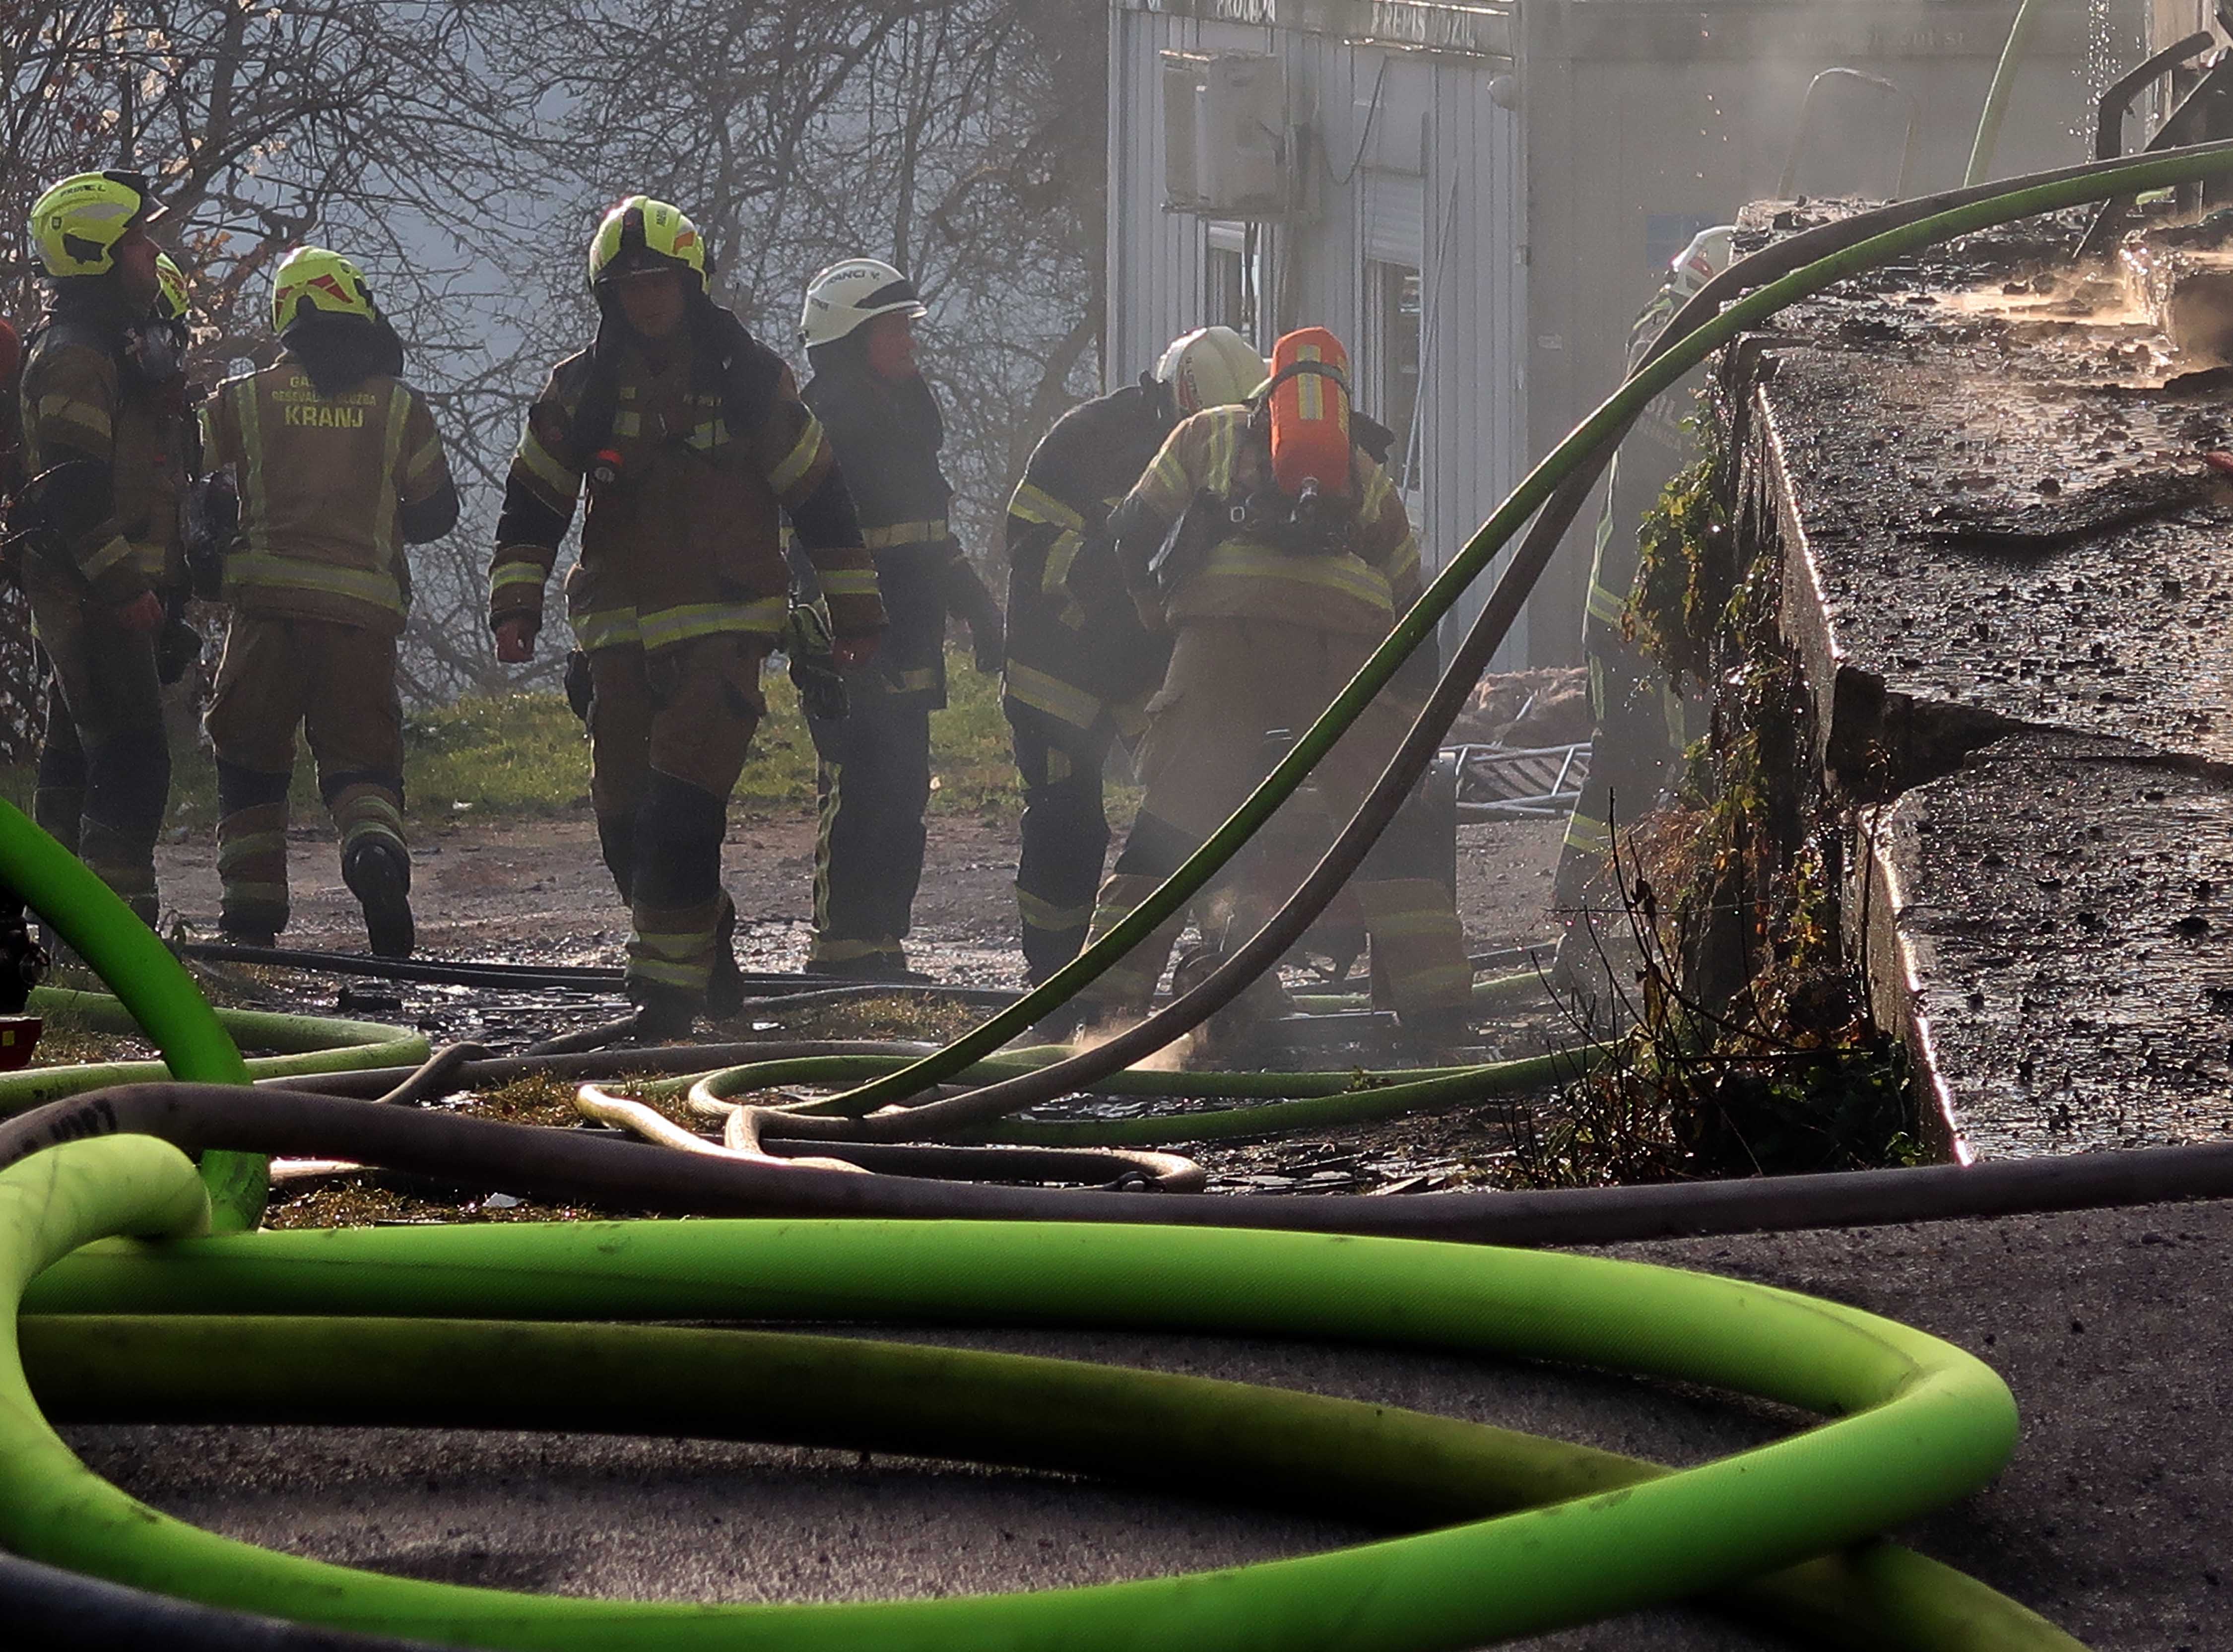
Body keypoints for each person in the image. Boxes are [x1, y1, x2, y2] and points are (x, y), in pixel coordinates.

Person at [491, 197, 884, 1034]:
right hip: (617, 641)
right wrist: (515, 604)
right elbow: (533, 501)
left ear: (691, 284)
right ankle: (710, 958)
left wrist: (855, 611)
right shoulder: (580, 389)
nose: (647, 299)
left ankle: (662, 1007)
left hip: (724, 632)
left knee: (679, 812)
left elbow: (820, 494)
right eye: (630, 286)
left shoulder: (747, 379)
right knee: (627, 828)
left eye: (661, 282)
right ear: (608, 296)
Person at [1075, 326, 1474, 1045]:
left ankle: (1103, 1009)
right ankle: (1440, 1012)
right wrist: (1399, 734)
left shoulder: (1205, 435)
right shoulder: (1363, 473)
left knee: (1172, 826)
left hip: (1223, 631)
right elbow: (1413, 607)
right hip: (1344, 642)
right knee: (1388, 826)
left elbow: (1132, 531)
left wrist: (1158, 614)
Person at [197, 246, 459, 956]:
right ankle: (375, 855)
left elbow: (179, 471)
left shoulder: (242, 399)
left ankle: (250, 918)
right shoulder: (400, 406)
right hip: (359, 624)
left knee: (250, 761)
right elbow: (438, 512)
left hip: (263, 618)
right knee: (362, 764)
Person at [999, 325, 1262, 983]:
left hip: (1141, 665)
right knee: (1067, 820)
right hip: (1059, 668)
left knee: (1193, 795)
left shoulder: (1233, 446)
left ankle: (1231, 959)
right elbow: (1030, 542)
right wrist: (1128, 567)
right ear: (1181, 395)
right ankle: (1054, 976)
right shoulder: (1089, 438)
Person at [796, 258, 1001, 981]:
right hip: (850, 641)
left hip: (910, 633)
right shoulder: (821, 427)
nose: (911, 341)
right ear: (853, 338)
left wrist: (976, 605)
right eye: (895, 328)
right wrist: (825, 628)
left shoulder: (906, 414)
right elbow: (800, 542)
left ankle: (882, 944)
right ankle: (841, 952)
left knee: (904, 789)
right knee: (859, 787)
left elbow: (929, 531)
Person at [1551, 224, 1734, 1003]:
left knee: (1631, 756)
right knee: (1657, 759)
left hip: (1628, 604)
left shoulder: (1653, 337)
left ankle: (1591, 921)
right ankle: (1593, 926)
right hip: (1649, 612)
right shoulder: (1698, 366)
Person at [16, 171, 187, 924]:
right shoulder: (76, 358)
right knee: (132, 758)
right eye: (137, 240)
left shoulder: (102, 349)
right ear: (94, 254)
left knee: (75, 759)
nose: (153, 251)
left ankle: (49, 926)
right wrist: (126, 587)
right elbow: (75, 489)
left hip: (87, 589)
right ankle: (120, 939)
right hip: (89, 593)